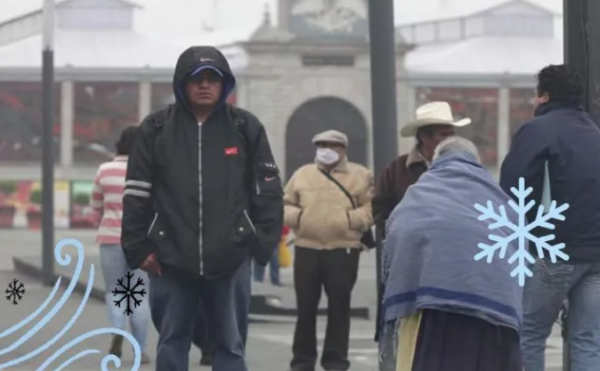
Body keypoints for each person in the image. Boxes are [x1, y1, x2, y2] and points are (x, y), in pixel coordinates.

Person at [121, 45, 284, 371]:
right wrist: (138, 249)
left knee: (230, 345)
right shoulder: (155, 128)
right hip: (169, 259)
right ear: (182, 83)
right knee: (172, 342)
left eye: (213, 78)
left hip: (231, 257)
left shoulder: (245, 127)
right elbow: (136, 192)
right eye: (197, 78)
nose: (205, 85)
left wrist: (259, 244)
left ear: (225, 83)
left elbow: (268, 190)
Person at [383, 136, 523, 371]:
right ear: (475, 163)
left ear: (437, 161)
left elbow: (398, 233)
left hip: (431, 311)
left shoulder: (420, 192)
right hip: (491, 309)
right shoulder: (497, 196)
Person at [500, 64, 600, 371]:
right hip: (596, 254)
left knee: (529, 331)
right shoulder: (595, 133)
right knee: (588, 339)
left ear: (543, 96)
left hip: (554, 252)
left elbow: (512, 189)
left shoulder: (537, 131)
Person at [371, 101, 470, 369]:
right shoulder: (399, 169)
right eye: (442, 133)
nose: (448, 139)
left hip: (449, 262)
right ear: (424, 136)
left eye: (451, 133)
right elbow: (380, 208)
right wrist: (399, 234)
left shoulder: (464, 169)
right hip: (406, 260)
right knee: (402, 319)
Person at [284, 129, 373, 371]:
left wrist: (351, 220)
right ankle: (302, 362)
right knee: (305, 309)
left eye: (334, 146)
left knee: (339, 309)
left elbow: (371, 206)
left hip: (343, 250)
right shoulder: (303, 174)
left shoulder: (361, 175)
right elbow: (285, 203)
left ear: (344, 149)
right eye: (322, 145)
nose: (328, 150)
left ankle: (336, 362)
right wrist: (299, 218)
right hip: (306, 248)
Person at [91, 126, 151, 364]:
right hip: (141, 243)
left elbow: (96, 206)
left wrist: (105, 222)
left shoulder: (104, 170)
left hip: (109, 239)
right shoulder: (148, 171)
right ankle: (140, 348)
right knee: (139, 296)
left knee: (115, 293)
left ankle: (117, 332)